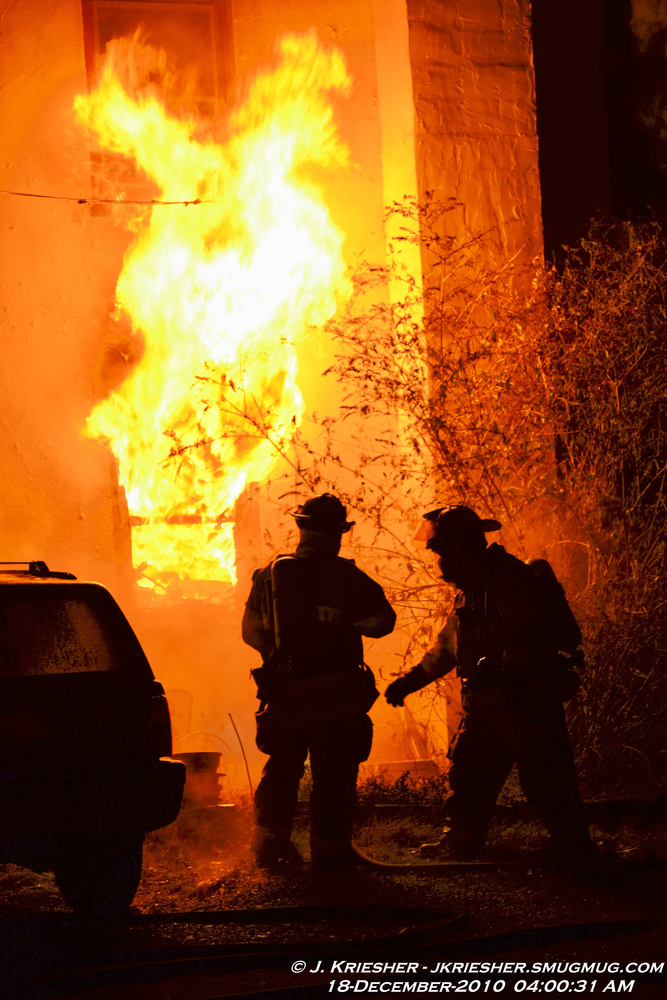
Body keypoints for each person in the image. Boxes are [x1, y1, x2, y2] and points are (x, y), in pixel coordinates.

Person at [385, 504, 591, 862]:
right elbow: (446, 649)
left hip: (525, 703)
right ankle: (461, 842)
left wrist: (514, 678)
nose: (439, 562)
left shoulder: (508, 579)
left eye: (440, 552)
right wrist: (408, 683)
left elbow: (526, 638)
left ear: (460, 546)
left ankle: (572, 850)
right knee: (469, 775)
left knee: (546, 778)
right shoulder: (470, 590)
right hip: (486, 706)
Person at [242, 493, 396, 867]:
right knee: (334, 775)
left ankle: (270, 848)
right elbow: (383, 622)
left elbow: (250, 632)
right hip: (337, 702)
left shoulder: (269, 577)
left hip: (285, 698)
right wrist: (343, 627)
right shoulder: (349, 577)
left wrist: (280, 654)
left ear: (301, 528)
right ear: (338, 532)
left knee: (282, 771)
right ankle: (331, 853)